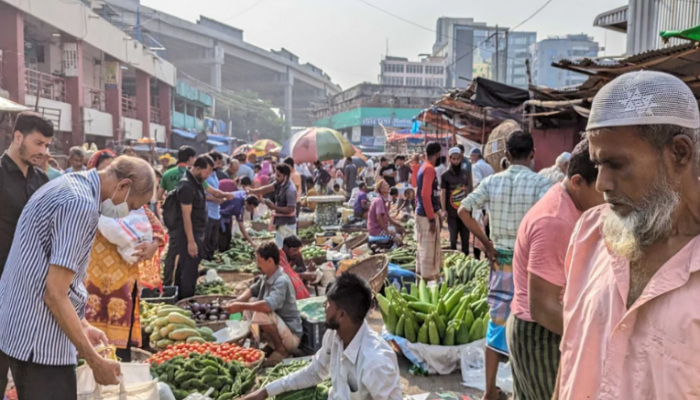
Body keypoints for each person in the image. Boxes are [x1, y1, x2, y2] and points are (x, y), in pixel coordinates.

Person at [550, 71, 700, 399]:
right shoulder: (590, 232)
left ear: (679, 154)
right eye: (597, 164)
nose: (601, 183)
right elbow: (572, 350)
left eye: (616, 164)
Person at [0, 156, 155, 397]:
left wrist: (82, 325)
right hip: (40, 339)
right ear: (123, 186)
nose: (127, 213)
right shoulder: (80, 205)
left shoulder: (71, 183)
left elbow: (47, 269)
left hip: (19, 325)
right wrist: (93, 359)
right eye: (133, 205)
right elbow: (54, 293)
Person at [458, 130, 552, 400]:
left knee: (497, 322)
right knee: (528, 324)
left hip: (500, 262)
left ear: (507, 156)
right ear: (532, 154)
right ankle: (521, 390)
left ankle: (489, 390)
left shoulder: (493, 182)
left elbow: (463, 209)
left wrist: (486, 244)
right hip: (529, 264)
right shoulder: (541, 185)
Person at [507, 140, 603, 400]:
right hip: (541, 333)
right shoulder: (555, 222)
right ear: (577, 182)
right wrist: (594, 336)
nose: (608, 195)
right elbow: (543, 307)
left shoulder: (572, 206)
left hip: (548, 328)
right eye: (601, 189)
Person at [241, 272, 403, 400]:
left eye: (328, 304)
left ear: (341, 315)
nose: (324, 306)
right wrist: (265, 391)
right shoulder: (335, 335)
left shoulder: (375, 363)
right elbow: (314, 372)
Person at [84, 155, 166, 361]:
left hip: (123, 279)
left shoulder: (133, 204)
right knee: (87, 328)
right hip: (91, 277)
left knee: (122, 332)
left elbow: (157, 229)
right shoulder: (86, 200)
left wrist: (152, 246)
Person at [224, 242, 302, 365]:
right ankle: (256, 342)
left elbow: (268, 305)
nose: (257, 264)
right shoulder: (266, 277)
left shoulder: (281, 280)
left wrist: (240, 306)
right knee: (252, 302)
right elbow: (252, 290)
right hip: (279, 330)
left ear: (270, 261)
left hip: (291, 337)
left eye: (259, 261)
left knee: (261, 310)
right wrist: (237, 301)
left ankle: (281, 350)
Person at [0, 112, 52, 279]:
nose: (43, 151)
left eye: (46, 145)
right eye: (38, 143)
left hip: (30, 276)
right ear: (18, 137)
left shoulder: (41, 178)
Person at [163, 155, 215, 299]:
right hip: (188, 235)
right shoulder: (187, 186)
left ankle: (181, 299)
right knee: (189, 271)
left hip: (194, 233)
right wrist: (191, 242)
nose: (207, 176)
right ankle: (186, 301)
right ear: (197, 168)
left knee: (185, 269)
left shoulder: (195, 181)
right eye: (206, 172)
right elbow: (186, 216)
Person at [249, 164, 298, 247]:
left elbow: (290, 209)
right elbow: (267, 188)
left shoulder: (290, 190)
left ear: (285, 176)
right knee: (281, 247)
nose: (276, 177)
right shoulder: (280, 183)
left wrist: (273, 207)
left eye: (278, 175)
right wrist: (252, 191)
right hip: (281, 223)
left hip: (287, 225)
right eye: (276, 174)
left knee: (286, 248)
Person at [415, 142, 443, 281]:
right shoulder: (429, 169)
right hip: (426, 216)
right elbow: (425, 195)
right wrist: (432, 218)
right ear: (438, 154)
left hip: (422, 213)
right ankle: (429, 281)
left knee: (423, 249)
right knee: (428, 252)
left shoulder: (423, 167)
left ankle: (422, 279)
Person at [441, 147, 473, 255]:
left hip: (464, 212)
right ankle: (453, 260)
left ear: (461, 158)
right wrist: (444, 210)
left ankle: (466, 260)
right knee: (453, 239)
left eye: (457, 158)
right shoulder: (445, 176)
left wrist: (470, 206)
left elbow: (469, 190)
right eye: (453, 159)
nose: (455, 161)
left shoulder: (466, 174)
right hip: (451, 213)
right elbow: (443, 192)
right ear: (449, 159)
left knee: (465, 238)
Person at [368, 180, 404, 244]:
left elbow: (387, 218)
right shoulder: (379, 201)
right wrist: (386, 230)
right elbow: (379, 217)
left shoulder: (382, 200)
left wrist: (399, 226)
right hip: (377, 231)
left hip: (379, 229)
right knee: (398, 238)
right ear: (382, 190)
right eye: (386, 185)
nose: (388, 186)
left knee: (398, 230)